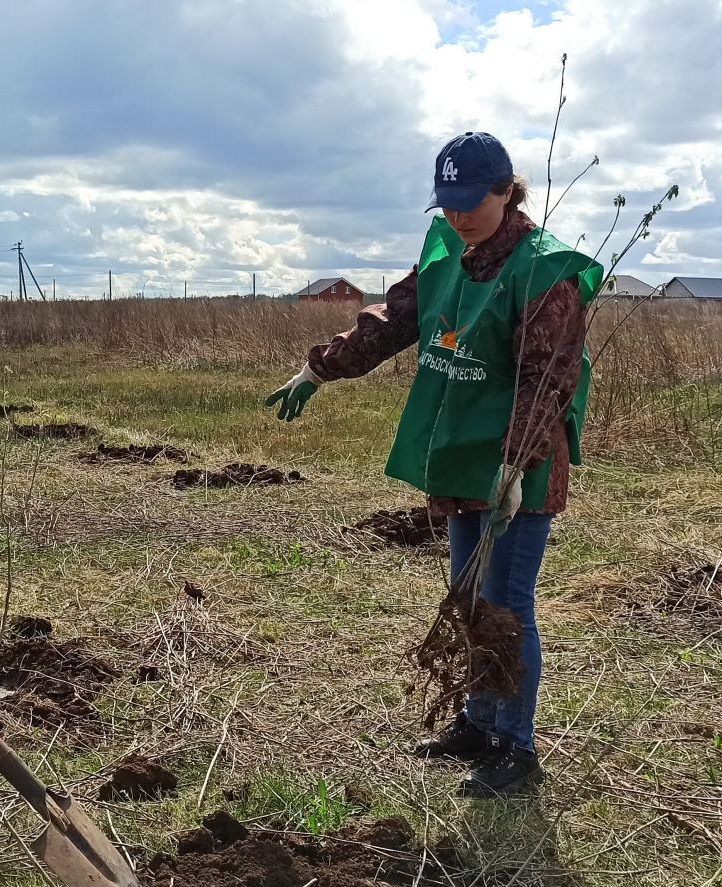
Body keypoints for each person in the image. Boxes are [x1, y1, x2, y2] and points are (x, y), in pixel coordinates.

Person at [265, 131, 601, 797]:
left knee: (508, 605)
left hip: (519, 464)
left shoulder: (545, 272)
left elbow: (548, 379)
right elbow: (390, 322)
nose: (458, 217)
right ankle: (477, 724)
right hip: (461, 456)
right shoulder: (451, 258)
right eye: (446, 205)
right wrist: (318, 366)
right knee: (468, 595)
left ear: (508, 191)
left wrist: (515, 466)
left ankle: (516, 747)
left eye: (472, 202)